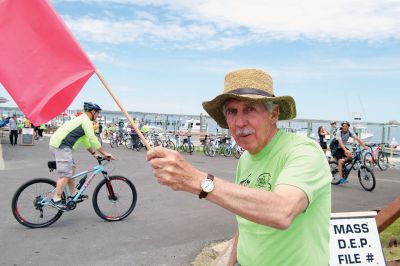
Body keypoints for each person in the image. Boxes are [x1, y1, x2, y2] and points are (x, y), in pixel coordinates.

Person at [147, 69, 331, 265]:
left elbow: (282, 212)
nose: (239, 122)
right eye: (231, 112)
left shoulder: (303, 151)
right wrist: (229, 261)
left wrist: (197, 181)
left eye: (249, 109)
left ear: (274, 114)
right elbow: (247, 220)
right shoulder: (246, 159)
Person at [49, 102, 114, 210]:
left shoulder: (82, 120)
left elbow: (85, 140)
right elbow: (92, 138)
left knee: (72, 169)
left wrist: (94, 153)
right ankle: (56, 198)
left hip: (61, 146)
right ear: (93, 111)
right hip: (61, 146)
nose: (98, 115)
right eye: (97, 113)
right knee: (66, 174)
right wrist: (105, 152)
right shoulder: (85, 121)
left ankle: (72, 195)